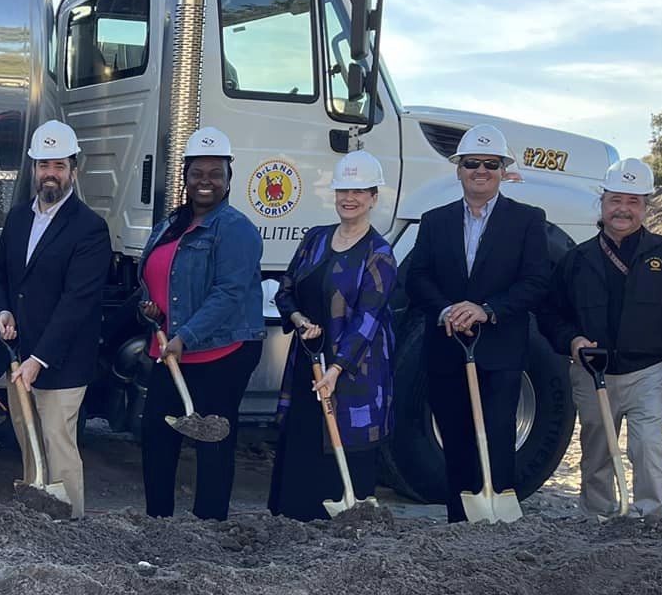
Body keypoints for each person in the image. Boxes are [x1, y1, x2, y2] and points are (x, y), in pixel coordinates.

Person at [403, 122, 552, 522]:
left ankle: (497, 519)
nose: (480, 171)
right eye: (472, 163)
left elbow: (536, 281)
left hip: (500, 350)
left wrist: (487, 309)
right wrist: (447, 311)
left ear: (503, 170)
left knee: (499, 436)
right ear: (459, 169)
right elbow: (417, 277)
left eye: (490, 164)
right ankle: (460, 520)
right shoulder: (434, 221)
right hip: (447, 347)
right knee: (455, 439)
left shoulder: (527, 220)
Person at [538, 158, 662, 517]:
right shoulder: (576, 259)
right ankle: (596, 517)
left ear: (646, 206)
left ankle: (652, 518)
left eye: (633, 202)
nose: (623, 209)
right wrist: (571, 341)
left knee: (647, 445)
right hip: (592, 372)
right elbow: (550, 314)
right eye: (615, 200)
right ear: (602, 203)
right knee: (597, 450)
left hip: (649, 373)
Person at [135, 127, 264, 520]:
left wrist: (186, 336)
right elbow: (157, 277)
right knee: (157, 438)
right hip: (171, 350)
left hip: (220, 352)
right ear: (185, 177)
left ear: (228, 178)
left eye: (215, 173)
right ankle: (159, 523)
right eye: (197, 173)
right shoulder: (171, 224)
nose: (205, 181)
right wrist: (152, 309)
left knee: (213, 443)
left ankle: (209, 528)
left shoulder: (235, 228)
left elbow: (229, 292)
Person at [0, 119, 112, 518]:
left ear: (74, 169)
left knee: (58, 447)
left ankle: (70, 527)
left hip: (61, 363)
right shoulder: (18, 218)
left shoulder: (90, 228)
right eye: (44, 165)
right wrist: (3, 311)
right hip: (17, 356)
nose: (50, 173)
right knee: (29, 446)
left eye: (59, 165)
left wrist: (38, 359)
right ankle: (35, 523)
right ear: (34, 169)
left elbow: (78, 302)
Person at [269, 150, 397, 519]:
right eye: (343, 190)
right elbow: (285, 290)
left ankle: (342, 531)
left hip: (354, 373)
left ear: (373, 197)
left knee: (346, 450)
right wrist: (298, 319)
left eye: (359, 191)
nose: (349, 198)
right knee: (303, 446)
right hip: (308, 364)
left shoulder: (379, 254)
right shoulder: (315, 239)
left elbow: (368, 321)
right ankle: (293, 524)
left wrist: (337, 369)